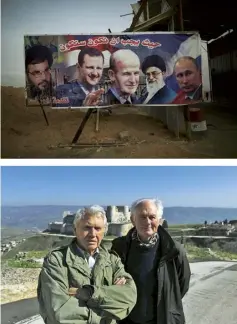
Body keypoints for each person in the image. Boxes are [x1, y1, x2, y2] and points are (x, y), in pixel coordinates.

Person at [37, 205, 137, 324]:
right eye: (87, 228)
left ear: (104, 231)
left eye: (98, 228)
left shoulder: (112, 260)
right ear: (75, 230)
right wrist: (106, 311)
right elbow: (60, 314)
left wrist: (88, 294)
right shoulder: (56, 261)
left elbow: (128, 298)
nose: (92, 234)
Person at [111, 198, 191, 324]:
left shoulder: (174, 250)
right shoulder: (119, 247)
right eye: (142, 217)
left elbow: (182, 284)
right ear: (133, 220)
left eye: (152, 217)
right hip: (127, 320)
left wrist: (167, 303)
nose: (147, 222)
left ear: (159, 220)